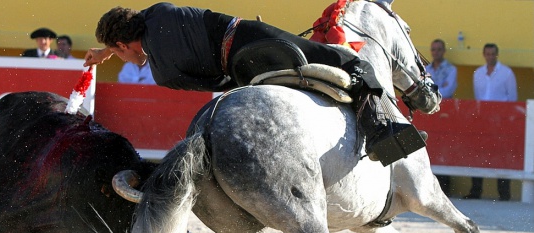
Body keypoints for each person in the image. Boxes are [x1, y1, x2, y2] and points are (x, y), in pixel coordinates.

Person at [84, 3, 431, 165]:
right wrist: (109, 50)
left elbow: (217, 82)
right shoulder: (159, 11)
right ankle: (383, 130)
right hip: (253, 37)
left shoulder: (163, 75)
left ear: (120, 45)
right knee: (352, 62)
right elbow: (140, 23)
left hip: (241, 72)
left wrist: (107, 52)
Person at [465, 43, 517, 201]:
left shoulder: (507, 73)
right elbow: (478, 99)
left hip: (500, 121)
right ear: (484, 55)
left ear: (497, 54)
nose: (490, 56)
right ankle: (476, 191)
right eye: (487, 54)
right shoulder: (478, 73)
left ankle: (504, 193)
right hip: (483, 121)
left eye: (492, 53)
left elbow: (512, 99)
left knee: (500, 155)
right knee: (478, 153)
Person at [425, 39, 457, 196]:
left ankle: (445, 187)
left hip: (445, 114)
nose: (436, 52)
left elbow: (448, 90)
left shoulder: (451, 70)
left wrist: (431, 95)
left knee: (445, 148)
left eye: (439, 49)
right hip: (428, 115)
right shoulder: (426, 69)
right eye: (434, 49)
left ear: (443, 51)